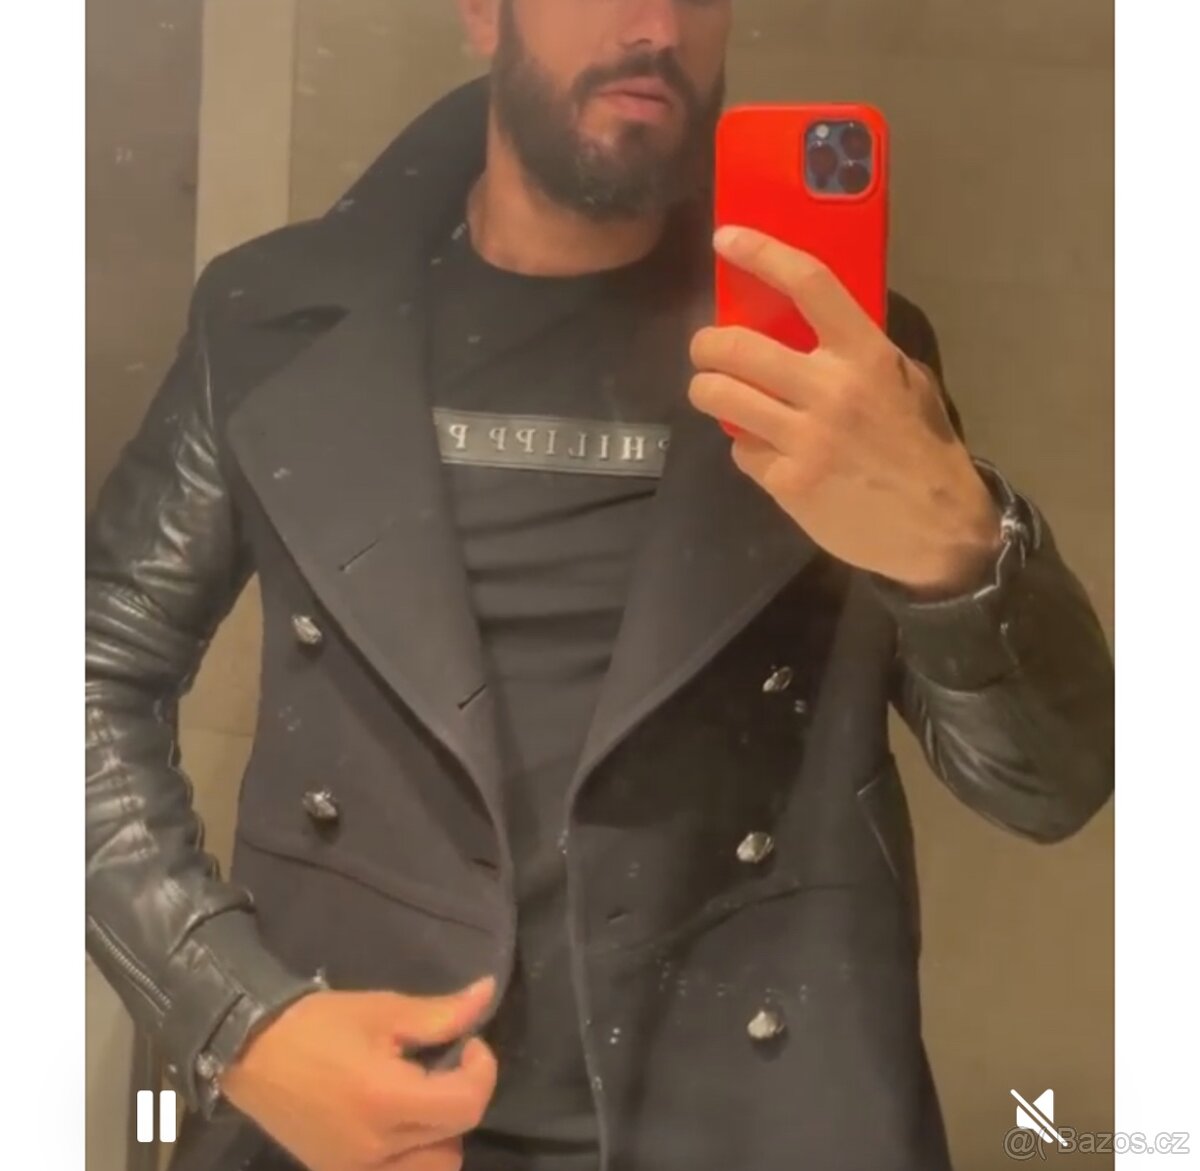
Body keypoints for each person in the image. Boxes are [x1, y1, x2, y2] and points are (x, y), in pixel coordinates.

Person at [85, 2, 1114, 1170]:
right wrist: (235, 1016)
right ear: (485, 13)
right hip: (363, 1117)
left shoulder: (845, 366)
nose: (657, 23)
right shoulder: (273, 321)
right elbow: (80, 683)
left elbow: (1051, 786)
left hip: (747, 1126)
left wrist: (960, 554)